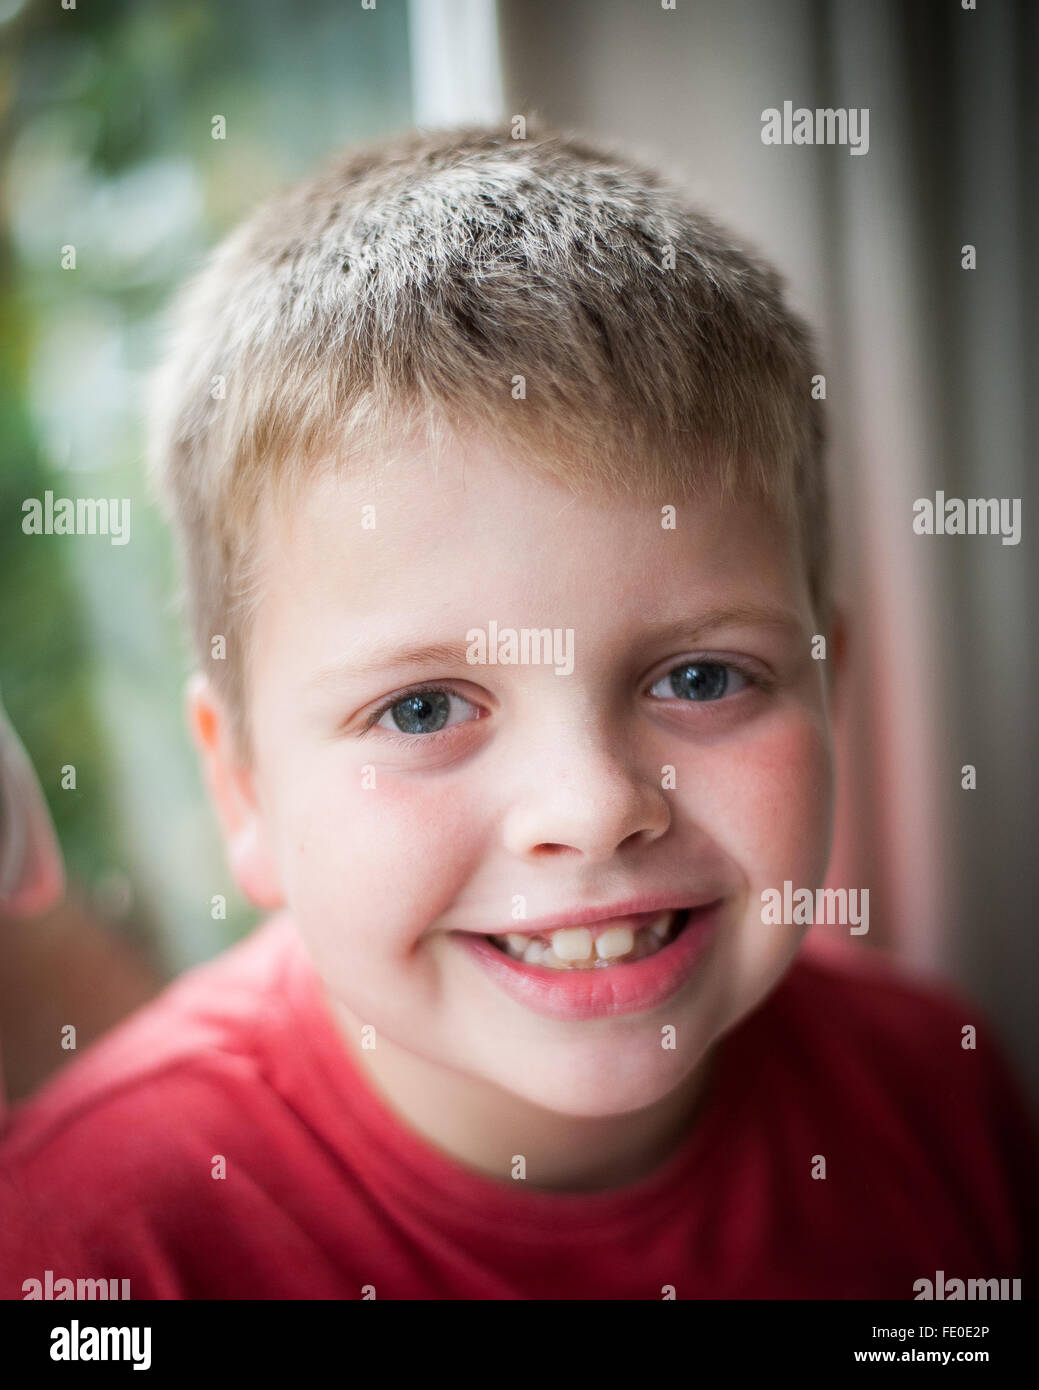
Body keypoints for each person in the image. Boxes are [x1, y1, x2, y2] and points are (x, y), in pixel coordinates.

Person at [1, 124, 1035, 1299]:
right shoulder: (81, 1252)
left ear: (826, 685)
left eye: (700, 678)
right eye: (424, 706)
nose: (593, 808)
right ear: (241, 786)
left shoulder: (935, 1094)